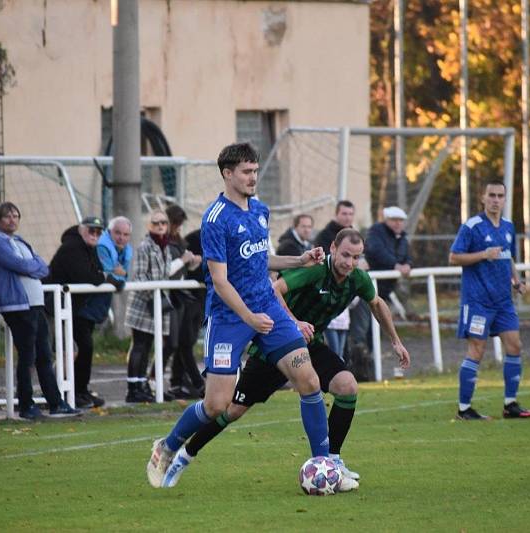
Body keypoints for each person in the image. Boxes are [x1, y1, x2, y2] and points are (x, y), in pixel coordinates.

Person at [161, 228, 411, 488]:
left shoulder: (357, 278)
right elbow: (275, 290)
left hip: (310, 346)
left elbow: (377, 303)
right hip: (275, 345)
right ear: (333, 249)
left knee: (347, 386)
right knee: (232, 410)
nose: (349, 262)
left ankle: (331, 462)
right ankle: (185, 455)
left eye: (356, 257)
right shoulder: (314, 270)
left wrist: (395, 340)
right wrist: (294, 322)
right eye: (345, 255)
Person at [145, 142, 329, 489]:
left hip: (268, 308)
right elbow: (220, 280)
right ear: (227, 174)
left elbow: (261, 261)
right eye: (246, 171)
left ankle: (325, 462)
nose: (253, 177)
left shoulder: (260, 210)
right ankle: (166, 447)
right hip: (230, 317)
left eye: (256, 171)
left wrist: (299, 260)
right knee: (216, 405)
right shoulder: (216, 219)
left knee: (309, 381)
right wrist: (249, 318)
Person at [0, 202, 80, 420]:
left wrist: (32, 266)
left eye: (16, 216)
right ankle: (26, 405)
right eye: (7, 216)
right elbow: (23, 266)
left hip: (35, 305)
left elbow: (43, 267)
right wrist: (32, 266)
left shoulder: (19, 241)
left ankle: (56, 403)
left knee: (44, 355)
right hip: (17, 306)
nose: (12, 220)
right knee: (28, 356)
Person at [449, 180, 530, 420]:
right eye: (492, 195)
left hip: (503, 301)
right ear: (483, 198)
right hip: (477, 301)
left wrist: (517, 281)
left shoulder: (508, 226)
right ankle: (464, 409)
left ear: (505, 199)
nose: (496, 200)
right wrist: (483, 255)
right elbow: (454, 257)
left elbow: (509, 258)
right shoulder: (472, 226)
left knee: (515, 345)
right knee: (477, 349)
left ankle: (510, 404)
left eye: (500, 196)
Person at [44, 216, 122, 409]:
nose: (95, 234)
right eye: (91, 230)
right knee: (62, 351)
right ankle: (59, 394)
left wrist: (103, 276)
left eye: (98, 231)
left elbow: (97, 273)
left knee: (79, 348)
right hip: (55, 308)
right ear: (81, 230)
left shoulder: (89, 248)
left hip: (72, 308)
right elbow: (87, 276)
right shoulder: (72, 248)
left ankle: (78, 391)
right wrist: (105, 277)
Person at [125, 210, 175, 403]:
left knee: (147, 347)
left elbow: (165, 273)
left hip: (156, 304)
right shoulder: (145, 246)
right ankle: (133, 387)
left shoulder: (166, 247)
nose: (160, 225)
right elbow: (139, 277)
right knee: (139, 345)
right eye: (156, 223)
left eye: (163, 222)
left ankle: (142, 384)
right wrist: (156, 296)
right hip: (143, 304)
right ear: (149, 226)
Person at [164, 204, 205, 400]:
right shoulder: (190, 239)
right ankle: (194, 382)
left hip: (191, 296)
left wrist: (194, 261)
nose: (178, 228)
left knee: (181, 342)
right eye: (176, 224)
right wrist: (187, 260)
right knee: (179, 342)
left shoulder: (182, 240)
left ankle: (179, 381)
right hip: (177, 297)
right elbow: (168, 270)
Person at [364, 206, 414, 318]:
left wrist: (408, 265)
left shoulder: (402, 238)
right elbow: (376, 251)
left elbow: (407, 256)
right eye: (394, 220)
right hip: (372, 285)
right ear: (386, 220)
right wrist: (395, 265)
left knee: (381, 320)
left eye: (400, 220)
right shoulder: (376, 232)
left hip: (387, 287)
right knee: (369, 322)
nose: (398, 223)